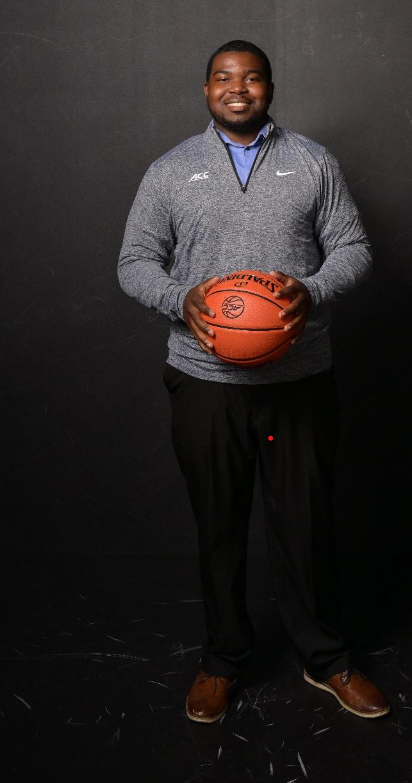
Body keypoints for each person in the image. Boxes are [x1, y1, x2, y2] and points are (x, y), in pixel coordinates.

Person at [117, 39, 390, 723]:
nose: (236, 89)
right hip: (204, 380)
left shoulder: (312, 162)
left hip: (299, 379)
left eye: (251, 78)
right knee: (220, 526)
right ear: (206, 89)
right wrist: (180, 300)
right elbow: (134, 261)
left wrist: (314, 288)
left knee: (304, 522)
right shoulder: (172, 170)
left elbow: (354, 246)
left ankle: (326, 657)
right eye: (222, 78)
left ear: (270, 87)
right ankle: (223, 660)